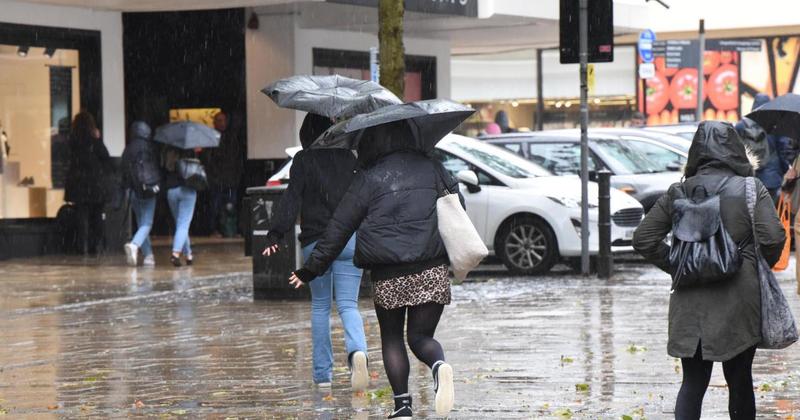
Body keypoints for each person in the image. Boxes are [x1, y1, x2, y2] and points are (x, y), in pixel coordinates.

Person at [289, 121, 461, 418]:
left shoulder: (368, 177)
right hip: (430, 267)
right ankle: (438, 365)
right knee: (420, 338)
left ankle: (402, 407)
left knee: (392, 338)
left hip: (388, 272)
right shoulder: (432, 167)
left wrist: (311, 268)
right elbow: (457, 208)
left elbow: (339, 227)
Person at [633, 121, 785, 420]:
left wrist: (679, 264)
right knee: (740, 380)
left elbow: (643, 239)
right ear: (735, 148)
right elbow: (773, 237)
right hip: (740, 298)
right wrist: (752, 265)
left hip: (690, 301)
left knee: (693, 381)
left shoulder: (679, 190)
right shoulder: (750, 189)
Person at [262, 113, 369, 391]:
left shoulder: (304, 160)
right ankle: (358, 352)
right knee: (348, 305)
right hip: (347, 239)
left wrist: (276, 233)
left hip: (316, 242)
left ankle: (323, 377)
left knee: (321, 307)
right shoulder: (350, 158)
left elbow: (291, 199)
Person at [64, 111, 110, 255]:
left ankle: (81, 245)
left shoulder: (73, 141)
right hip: (95, 185)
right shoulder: (94, 141)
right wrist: (98, 138)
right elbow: (105, 157)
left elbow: (68, 159)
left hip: (78, 184)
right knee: (97, 216)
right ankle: (96, 246)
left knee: (81, 216)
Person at [736, 93, 795, 201]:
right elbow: (783, 150)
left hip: (749, 179)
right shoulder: (776, 125)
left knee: (752, 210)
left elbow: (736, 151)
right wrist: (786, 171)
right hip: (772, 179)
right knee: (770, 210)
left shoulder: (741, 125)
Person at [121, 121, 160, 267]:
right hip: (148, 189)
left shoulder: (128, 149)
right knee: (147, 223)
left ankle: (149, 255)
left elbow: (123, 171)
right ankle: (135, 245)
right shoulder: (149, 148)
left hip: (132, 191)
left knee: (141, 223)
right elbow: (155, 168)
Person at [202, 111, 243, 237]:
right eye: (219, 120)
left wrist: (236, 176)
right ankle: (214, 230)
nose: (222, 123)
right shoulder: (210, 139)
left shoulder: (231, 138)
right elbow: (207, 161)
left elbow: (236, 159)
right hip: (216, 180)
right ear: (214, 123)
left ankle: (230, 230)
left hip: (230, 179)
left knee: (231, 207)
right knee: (215, 207)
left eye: (224, 120)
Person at [162, 146, 197, 267]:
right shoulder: (189, 150)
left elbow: (165, 169)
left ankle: (188, 254)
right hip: (187, 190)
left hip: (171, 190)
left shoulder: (168, 150)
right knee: (183, 224)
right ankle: (175, 254)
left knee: (180, 224)